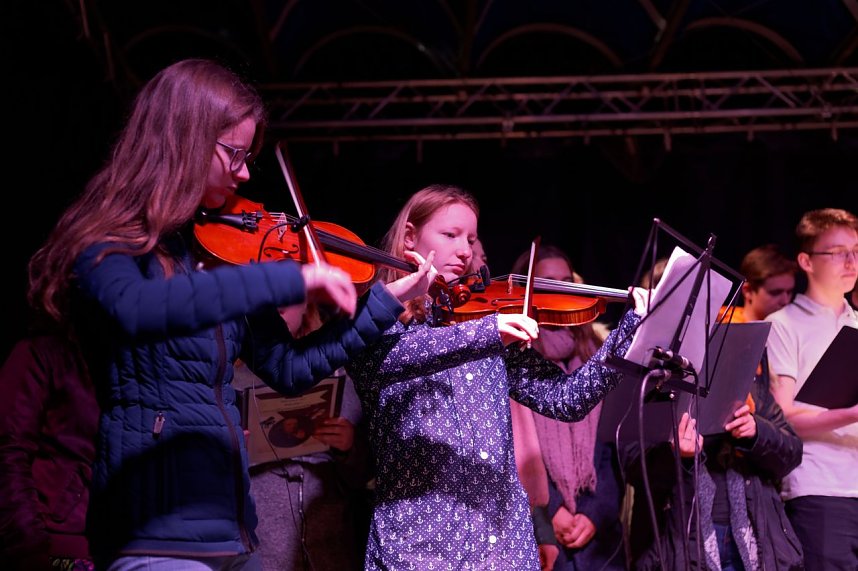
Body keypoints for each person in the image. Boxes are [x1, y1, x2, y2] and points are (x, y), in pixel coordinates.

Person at [24, 58, 436, 570]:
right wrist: (290, 278)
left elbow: (288, 369)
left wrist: (383, 304)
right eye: (234, 154)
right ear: (184, 140)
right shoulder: (110, 242)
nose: (244, 173)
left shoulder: (217, 250)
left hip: (232, 530)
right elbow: (140, 310)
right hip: (155, 531)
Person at [344, 184, 649, 570]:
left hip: (502, 545)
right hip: (420, 548)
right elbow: (387, 361)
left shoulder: (483, 322)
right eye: (450, 234)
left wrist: (628, 334)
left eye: (470, 238)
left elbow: (566, 398)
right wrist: (488, 333)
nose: (465, 250)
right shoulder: (380, 323)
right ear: (409, 237)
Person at [620, 240, 806, 570]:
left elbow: (790, 451)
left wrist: (754, 432)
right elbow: (633, 467)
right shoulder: (646, 370)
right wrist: (679, 455)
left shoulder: (733, 354)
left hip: (753, 539)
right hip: (682, 541)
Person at [508, 244, 627, 571]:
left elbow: (610, 448)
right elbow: (518, 450)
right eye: (548, 282)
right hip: (541, 530)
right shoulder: (514, 356)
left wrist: (594, 512)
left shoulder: (597, 353)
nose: (559, 289)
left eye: (565, 280)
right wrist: (552, 511)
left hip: (600, 534)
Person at [235, 303, 376, 571]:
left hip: (332, 545)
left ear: (307, 304)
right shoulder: (233, 378)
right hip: (264, 545)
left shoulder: (338, 373)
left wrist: (349, 446)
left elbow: (363, 477)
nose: (280, 307)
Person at [765, 207, 858, 570]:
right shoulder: (784, 323)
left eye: (856, 251)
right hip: (819, 489)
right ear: (806, 260)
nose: (851, 261)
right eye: (837, 252)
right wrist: (849, 414)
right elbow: (782, 415)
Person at [0, 331, 98, 571]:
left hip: (124, 549)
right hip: (59, 548)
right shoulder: (44, 351)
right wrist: (29, 546)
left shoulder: (135, 357)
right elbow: (8, 449)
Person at [727, 244, 797, 323]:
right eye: (775, 293)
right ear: (748, 291)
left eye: (789, 292)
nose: (785, 301)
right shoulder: (719, 326)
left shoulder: (794, 327)